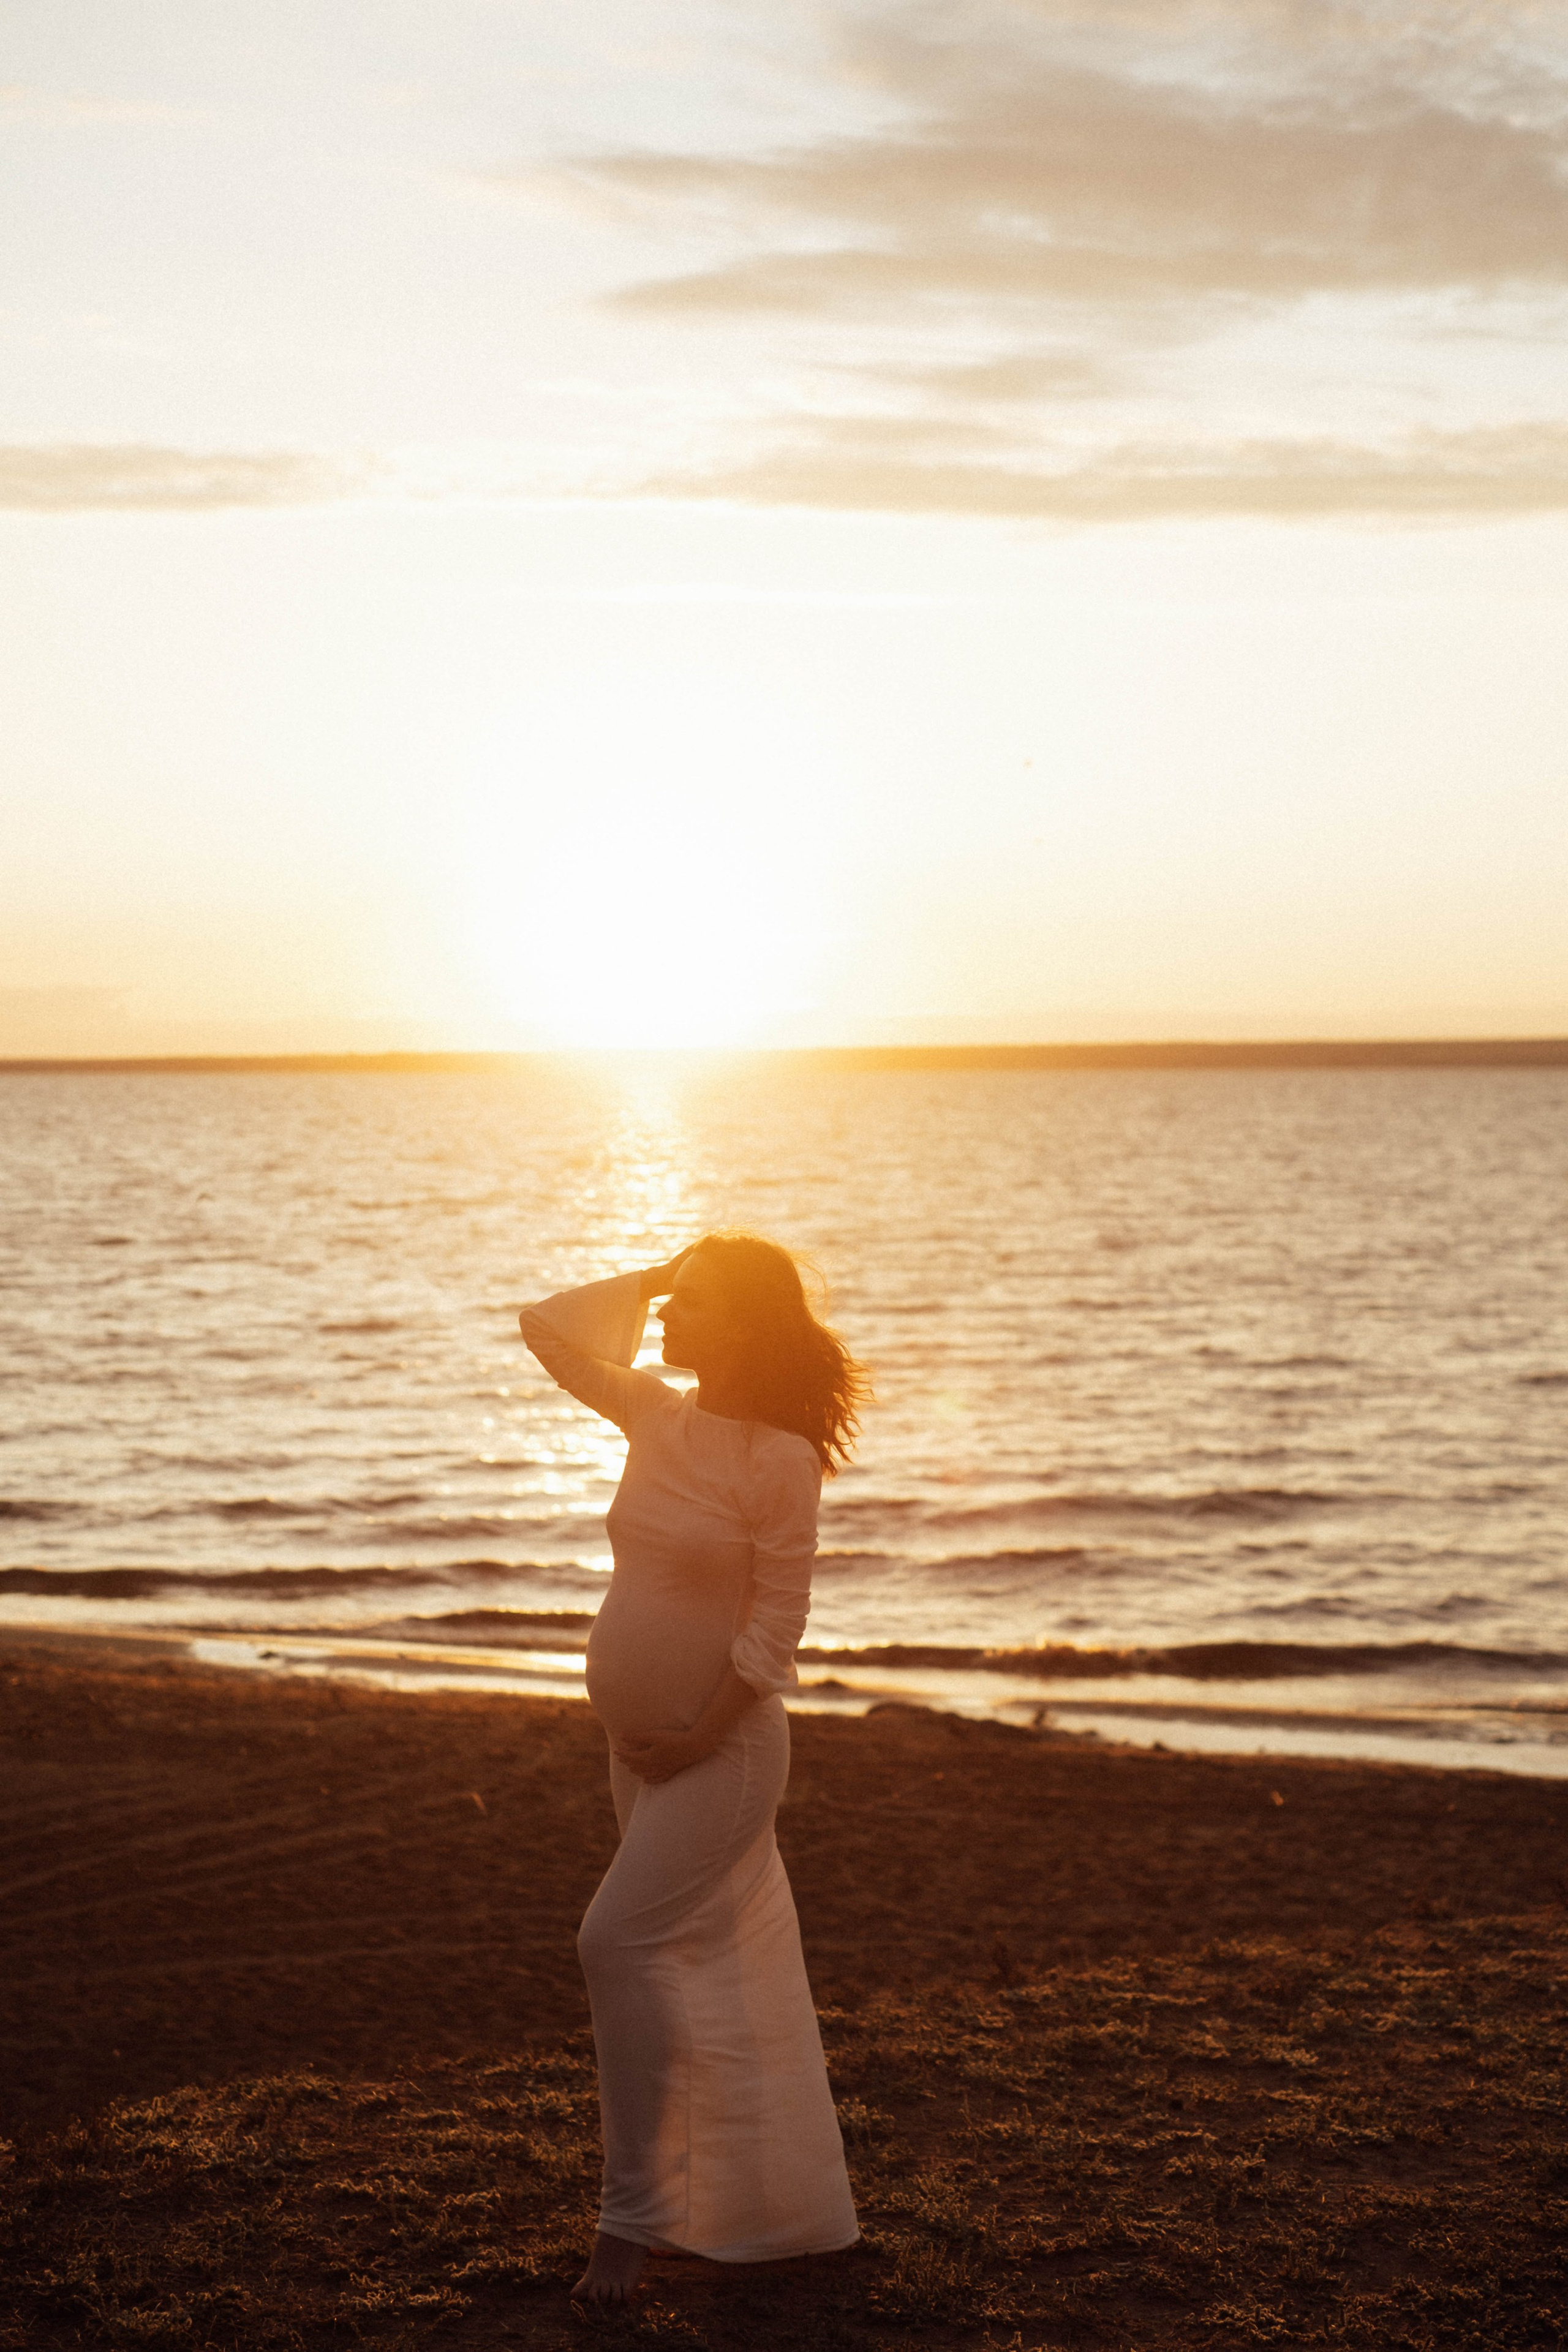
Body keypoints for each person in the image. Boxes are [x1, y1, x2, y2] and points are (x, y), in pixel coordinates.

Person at [518, 1232, 869, 2304]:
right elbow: (544, 1328)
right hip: (644, 1752)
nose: (671, 1323)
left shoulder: (780, 1458)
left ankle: (628, 2231)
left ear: (752, 1324)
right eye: (674, 1304)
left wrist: (697, 1739)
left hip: (721, 1754)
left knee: (614, 1943)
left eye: (697, 1305)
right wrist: (663, 1277)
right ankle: (715, 2209)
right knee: (688, 1969)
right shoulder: (654, 1413)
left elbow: (776, 1632)